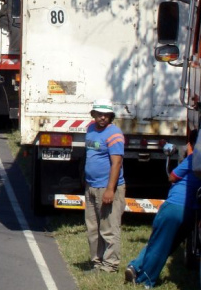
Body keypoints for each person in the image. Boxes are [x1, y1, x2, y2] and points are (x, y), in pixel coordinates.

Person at [126, 145, 201, 286]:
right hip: (192, 212)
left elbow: (172, 177)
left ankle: (145, 280)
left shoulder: (194, 159)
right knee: (168, 244)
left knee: (158, 243)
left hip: (174, 206)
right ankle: (135, 266)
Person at [85, 98, 126, 273]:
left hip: (106, 187)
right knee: (93, 228)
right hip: (91, 186)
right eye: (99, 114)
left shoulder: (114, 134)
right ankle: (97, 262)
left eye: (106, 115)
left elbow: (116, 163)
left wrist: (110, 189)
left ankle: (110, 265)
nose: (102, 118)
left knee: (109, 228)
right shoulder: (90, 129)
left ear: (111, 116)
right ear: (93, 114)